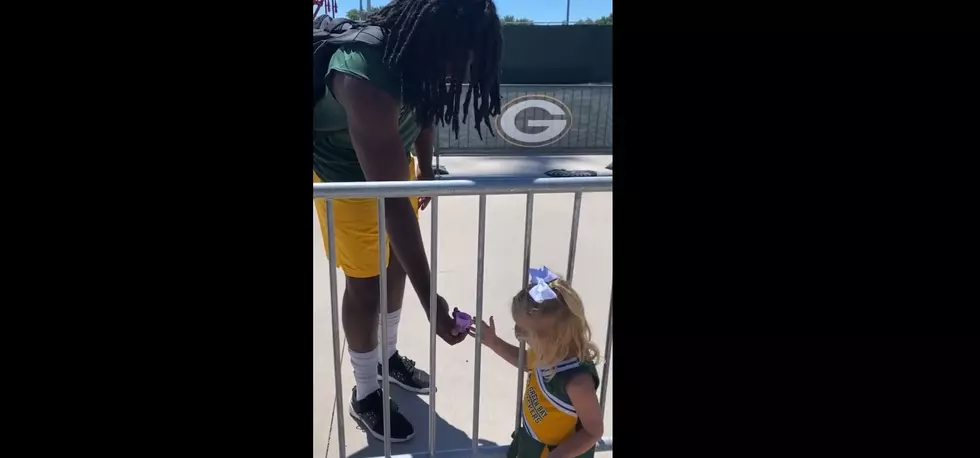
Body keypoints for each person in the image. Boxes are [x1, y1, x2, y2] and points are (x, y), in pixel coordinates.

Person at [312, 0, 503, 443]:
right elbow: (391, 201)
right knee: (365, 282)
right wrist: (431, 303)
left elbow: (424, 109)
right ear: (436, 41)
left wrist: (426, 168)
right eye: (460, 61)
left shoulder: (420, 56)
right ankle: (365, 391)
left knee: (396, 263)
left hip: (391, 165)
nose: (462, 74)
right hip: (345, 175)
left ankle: (388, 357)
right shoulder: (363, 75)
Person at [469, 267, 604, 458]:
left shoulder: (578, 382)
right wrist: (494, 342)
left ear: (553, 337)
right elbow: (524, 362)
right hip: (532, 441)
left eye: (524, 331)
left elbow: (593, 431)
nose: (517, 333)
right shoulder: (546, 352)